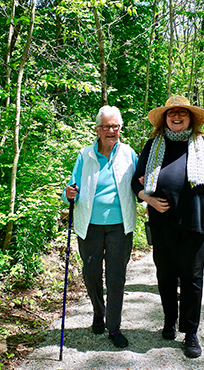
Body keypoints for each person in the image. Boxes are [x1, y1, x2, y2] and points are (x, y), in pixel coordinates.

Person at [131, 95, 204, 358]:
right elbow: (136, 181)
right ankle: (169, 321)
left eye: (182, 113)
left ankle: (190, 332)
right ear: (164, 119)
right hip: (162, 223)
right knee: (165, 277)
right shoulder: (153, 145)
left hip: (196, 224)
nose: (176, 117)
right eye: (171, 113)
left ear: (190, 118)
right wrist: (148, 198)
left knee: (192, 280)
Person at [63, 105, 138, 348]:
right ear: (97, 129)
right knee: (92, 273)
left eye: (115, 126)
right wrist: (68, 194)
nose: (111, 131)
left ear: (120, 129)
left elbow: (140, 186)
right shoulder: (85, 156)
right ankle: (98, 311)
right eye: (106, 126)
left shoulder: (129, 154)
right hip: (90, 226)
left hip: (120, 226)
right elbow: (70, 191)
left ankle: (114, 327)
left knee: (116, 277)